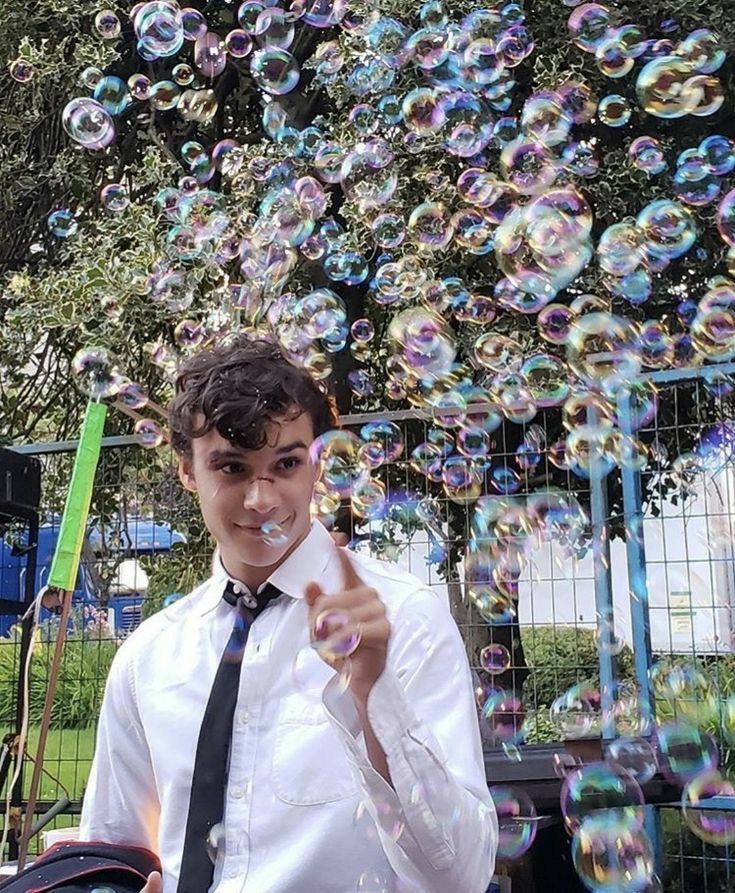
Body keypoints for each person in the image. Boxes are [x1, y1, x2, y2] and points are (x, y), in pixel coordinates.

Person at [79, 335, 498, 893]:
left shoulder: (406, 619)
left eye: (286, 463)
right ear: (187, 471)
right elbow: (113, 854)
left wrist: (373, 697)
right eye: (230, 468)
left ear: (317, 464)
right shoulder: (146, 656)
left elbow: (460, 877)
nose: (262, 499)